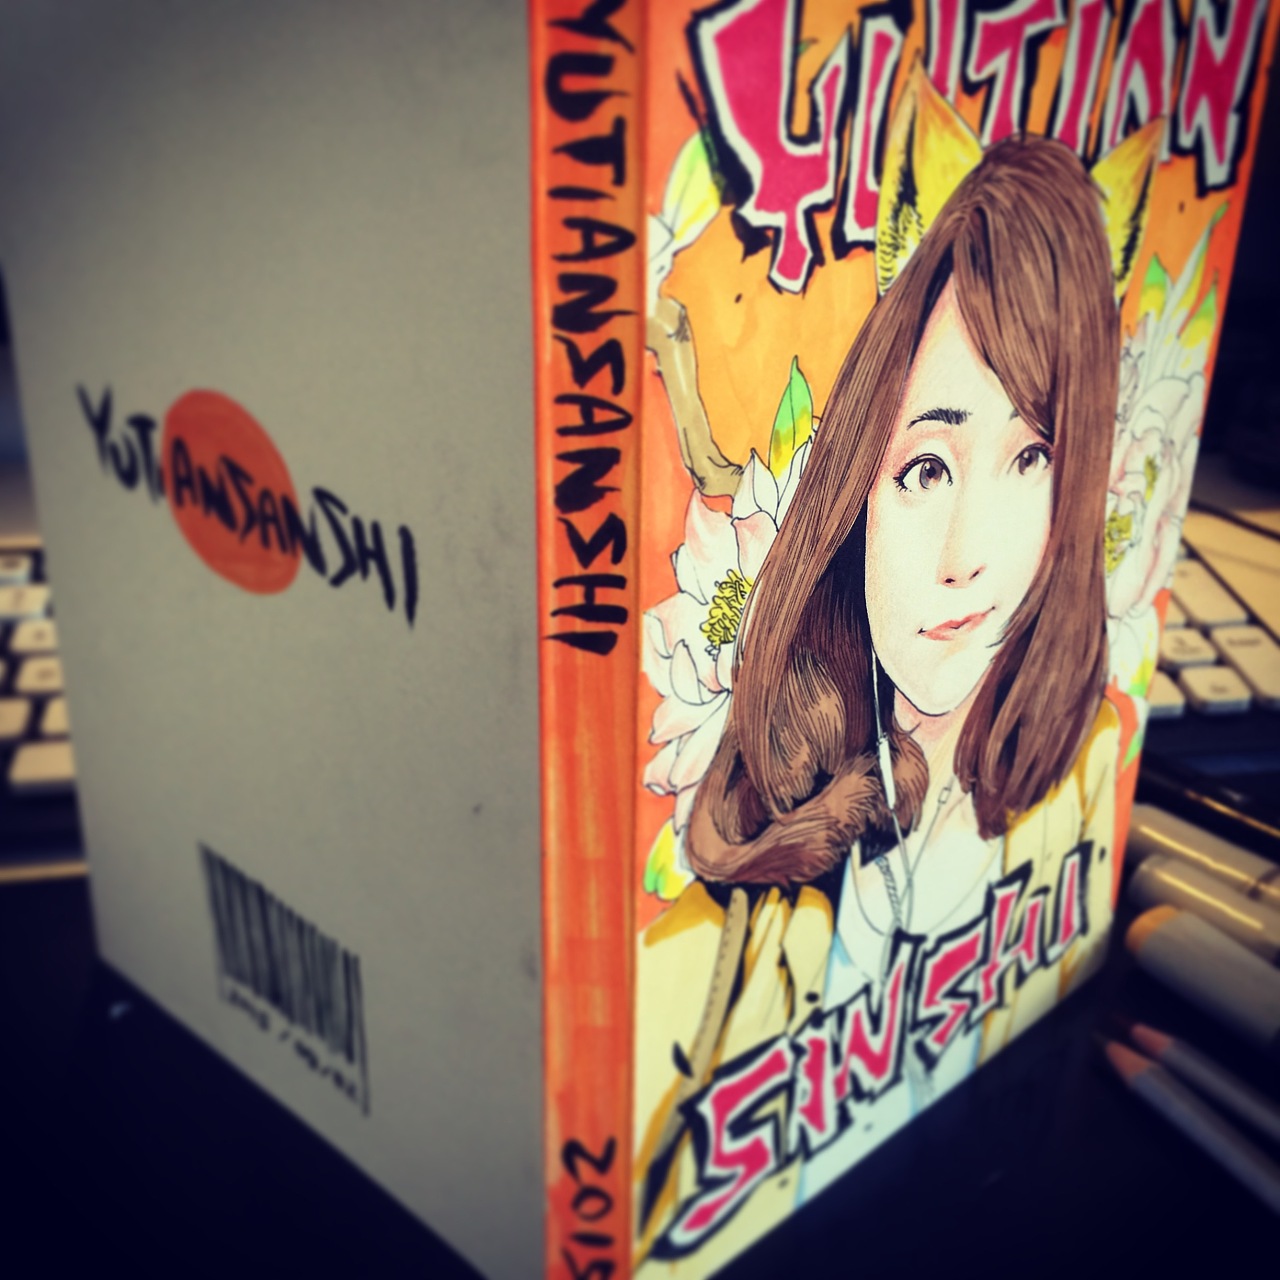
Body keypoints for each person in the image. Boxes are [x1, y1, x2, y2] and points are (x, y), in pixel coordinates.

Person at [635, 134, 1122, 1272]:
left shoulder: (1082, 789)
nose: (966, 555)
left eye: (1030, 458)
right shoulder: (720, 928)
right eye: (926, 468)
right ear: (857, 494)